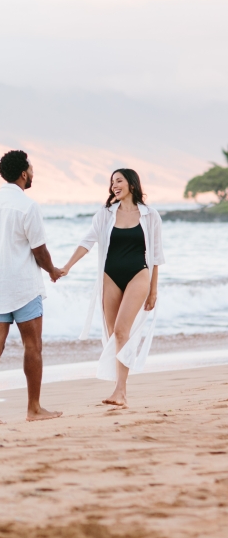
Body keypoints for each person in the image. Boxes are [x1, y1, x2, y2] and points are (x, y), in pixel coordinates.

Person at [60, 168, 164, 408]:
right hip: (110, 276)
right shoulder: (105, 214)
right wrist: (67, 266)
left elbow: (157, 255)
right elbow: (87, 241)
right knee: (113, 334)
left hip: (139, 273)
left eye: (119, 181)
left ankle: (121, 391)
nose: (114, 185)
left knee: (121, 330)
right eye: (112, 182)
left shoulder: (150, 215)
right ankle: (119, 389)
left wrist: (154, 289)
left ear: (132, 184)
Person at [0, 150, 64, 426]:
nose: (34, 171)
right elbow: (39, 250)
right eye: (32, 168)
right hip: (23, 287)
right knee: (33, 346)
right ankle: (34, 408)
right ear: (24, 173)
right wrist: (53, 271)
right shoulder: (28, 206)